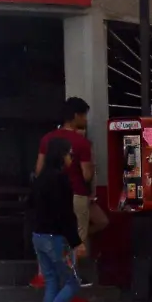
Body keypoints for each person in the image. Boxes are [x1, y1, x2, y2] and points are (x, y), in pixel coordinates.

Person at [30, 138, 87, 302]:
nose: (71, 158)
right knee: (72, 283)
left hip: (39, 236)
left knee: (52, 281)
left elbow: (30, 206)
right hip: (55, 239)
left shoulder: (40, 178)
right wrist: (77, 243)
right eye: (70, 154)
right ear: (61, 155)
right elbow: (66, 216)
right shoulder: (62, 180)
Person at [36, 97, 100, 251]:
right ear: (76, 115)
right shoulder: (82, 143)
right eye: (84, 115)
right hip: (76, 194)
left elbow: (39, 170)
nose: (85, 120)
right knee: (76, 243)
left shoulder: (47, 138)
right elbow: (87, 175)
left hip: (50, 197)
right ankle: (72, 273)